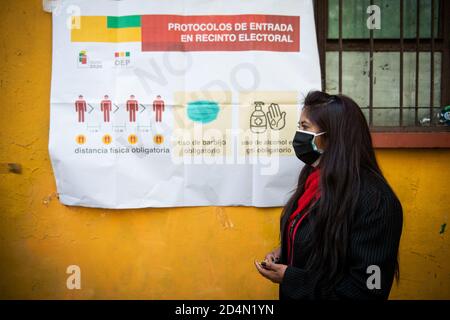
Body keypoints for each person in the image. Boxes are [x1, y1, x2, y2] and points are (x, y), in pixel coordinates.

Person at [254, 91, 403, 300]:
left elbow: (369, 290)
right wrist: (288, 248)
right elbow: (322, 234)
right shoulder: (314, 177)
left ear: (332, 135)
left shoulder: (376, 201)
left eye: (304, 127)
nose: (298, 134)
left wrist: (291, 277)